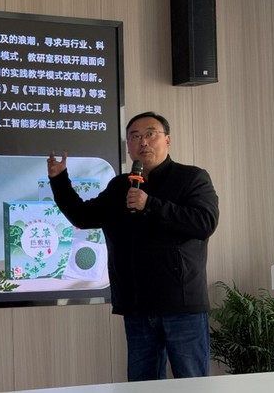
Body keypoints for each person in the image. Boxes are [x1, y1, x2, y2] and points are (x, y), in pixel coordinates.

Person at [46, 111, 219, 381]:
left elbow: (204, 222)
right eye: (135, 137)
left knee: (192, 383)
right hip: (137, 306)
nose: (143, 142)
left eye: (150, 134)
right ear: (128, 146)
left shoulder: (192, 178)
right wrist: (59, 180)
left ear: (167, 140)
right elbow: (84, 217)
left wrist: (150, 204)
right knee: (141, 384)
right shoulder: (120, 186)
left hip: (181, 305)